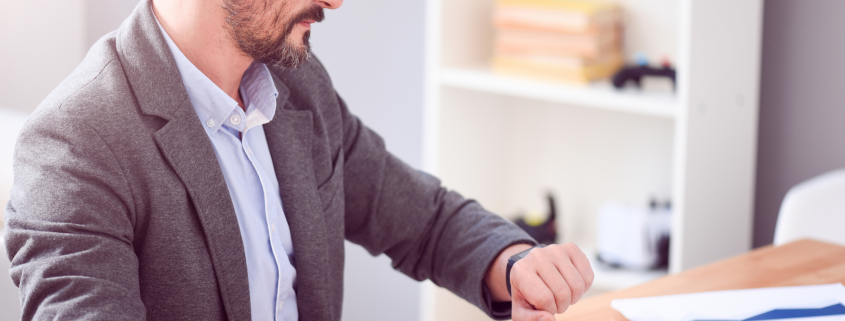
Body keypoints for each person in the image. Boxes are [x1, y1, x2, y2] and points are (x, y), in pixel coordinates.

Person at [3, 0, 594, 320]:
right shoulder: (73, 145)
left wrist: (514, 264)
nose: (335, 1)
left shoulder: (297, 87)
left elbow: (424, 220)